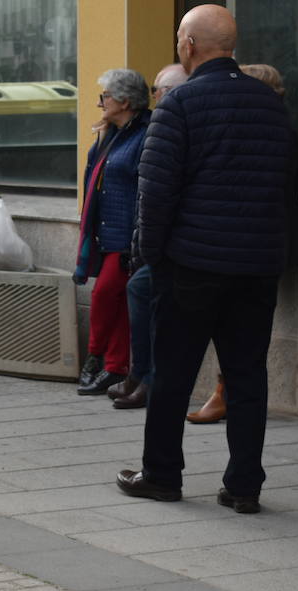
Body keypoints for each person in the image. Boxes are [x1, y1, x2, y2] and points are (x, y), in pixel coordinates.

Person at [116, 4, 293, 515]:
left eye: (178, 36)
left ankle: (162, 474)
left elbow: (156, 192)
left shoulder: (180, 104)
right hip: (256, 264)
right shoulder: (270, 104)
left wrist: (151, 257)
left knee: (172, 373)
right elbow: (284, 184)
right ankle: (244, 486)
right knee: (246, 375)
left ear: (189, 44)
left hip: (191, 264)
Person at [184, 63, 298, 423]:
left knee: (242, 333)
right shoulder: (270, 124)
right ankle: (227, 392)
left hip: (261, 241)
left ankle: (228, 392)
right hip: (260, 239)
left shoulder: (271, 128)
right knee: (242, 332)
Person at [109, 63, 187, 412]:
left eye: (161, 90)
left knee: (141, 290)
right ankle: (139, 375)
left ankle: (147, 379)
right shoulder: (137, 128)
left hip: (183, 242)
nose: (155, 97)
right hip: (155, 238)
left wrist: (147, 246)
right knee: (137, 289)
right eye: (155, 89)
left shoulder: (168, 123)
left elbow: (158, 190)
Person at [73, 69, 151, 397]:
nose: (101, 102)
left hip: (126, 236)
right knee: (117, 303)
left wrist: (137, 237)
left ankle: (95, 357)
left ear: (125, 101)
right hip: (104, 233)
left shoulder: (144, 135)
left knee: (104, 295)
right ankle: (114, 367)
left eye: (105, 96)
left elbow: (144, 191)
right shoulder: (111, 134)